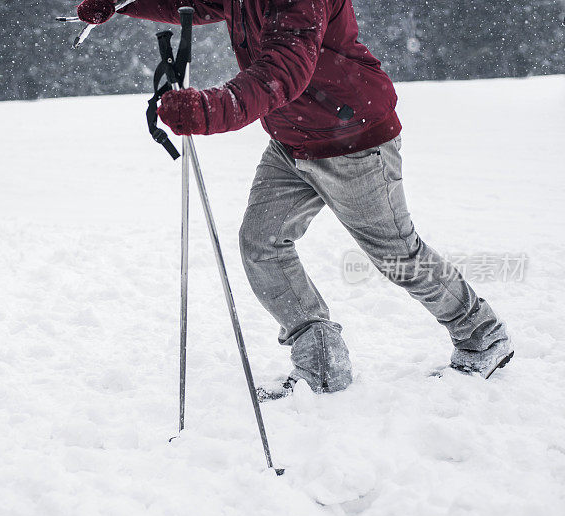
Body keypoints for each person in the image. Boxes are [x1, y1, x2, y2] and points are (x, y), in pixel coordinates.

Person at [75, 0, 514, 393]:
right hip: (291, 140)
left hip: (355, 141)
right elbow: (199, 2)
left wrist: (210, 109)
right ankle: (321, 363)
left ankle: (481, 336)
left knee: (397, 254)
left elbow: (283, 70)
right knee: (261, 242)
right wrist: (124, 2)